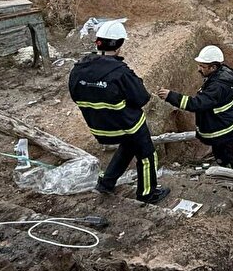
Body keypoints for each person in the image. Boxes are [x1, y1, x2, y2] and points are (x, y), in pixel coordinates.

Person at [68, 19, 168, 204]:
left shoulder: (77, 70)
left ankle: (106, 183)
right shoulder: (120, 72)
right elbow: (142, 98)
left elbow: (75, 95)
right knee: (147, 155)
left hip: (99, 128)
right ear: (120, 44)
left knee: (128, 146)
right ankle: (148, 194)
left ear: (98, 42)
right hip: (127, 126)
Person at [157, 45, 233, 169]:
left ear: (213, 67)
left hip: (222, 130)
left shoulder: (217, 86)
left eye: (202, 66)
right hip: (224, 124)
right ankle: (228, 173)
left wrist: (171, 96)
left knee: (225, 156)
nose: (199, 69)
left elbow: (196, 104)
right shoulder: (222, 75)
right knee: (223, 154)